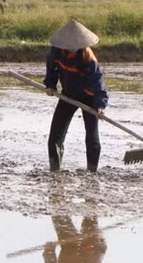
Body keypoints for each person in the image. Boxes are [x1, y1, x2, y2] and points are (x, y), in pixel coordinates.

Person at [44, 20, 109, 173]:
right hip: (68, 94)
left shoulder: (87, 55)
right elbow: (51, 68)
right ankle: (55, 168)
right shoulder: (56, 51)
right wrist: (50, 85)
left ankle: (92, 170)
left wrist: (100, 105)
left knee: (92, 135)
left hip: (89, 97)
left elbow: (98, 80)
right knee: (55, 134)